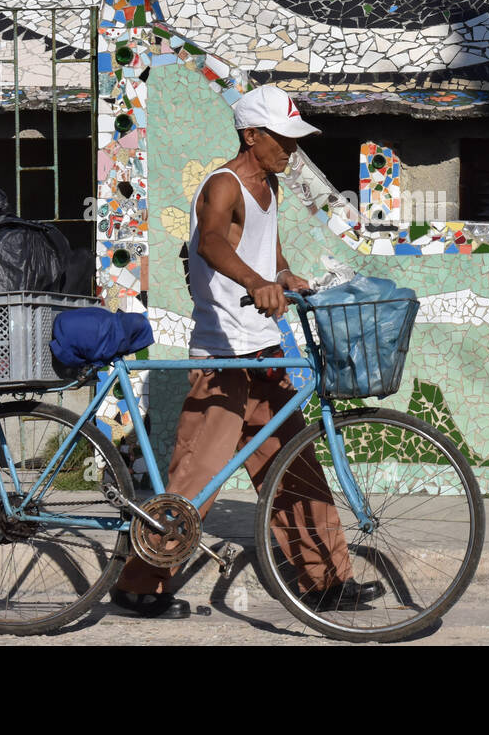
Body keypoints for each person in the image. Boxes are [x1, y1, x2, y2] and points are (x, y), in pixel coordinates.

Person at [111, 84, 384, 617]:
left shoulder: (270, 188)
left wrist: (283, 276)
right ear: (252, 134)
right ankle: (139, 581)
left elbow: (269, 251)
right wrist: (258, 282)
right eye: (283, 140)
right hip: (223, 357)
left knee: (295, 467)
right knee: (197, 477)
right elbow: (210, 242)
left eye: (295, 141)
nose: (291, 150)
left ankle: (326, 580)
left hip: (263, 352)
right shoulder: (223, 184)